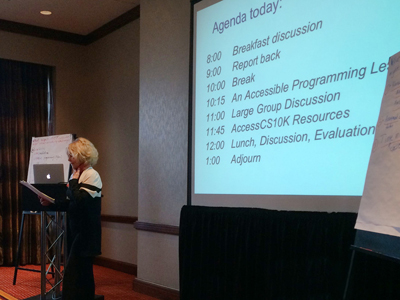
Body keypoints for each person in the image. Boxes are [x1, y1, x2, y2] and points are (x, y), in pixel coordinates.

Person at [40, 137, 102, 300]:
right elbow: (71, 204)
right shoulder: (79, 176)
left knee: (77, 273)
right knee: (80, 273)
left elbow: (81, 201)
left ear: (82, 156)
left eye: (71, 156)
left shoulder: (92, 175)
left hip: (86, 234)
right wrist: (51, 204)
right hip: (76, 232)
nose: (68, 159)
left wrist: (73, 183)